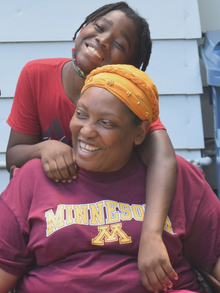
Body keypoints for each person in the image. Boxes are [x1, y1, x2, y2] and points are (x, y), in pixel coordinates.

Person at [0, 64, 219, 293]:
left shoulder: (178, 178)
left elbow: (213, 260)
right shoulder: (34, 178)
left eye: (106, 123)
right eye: (81, 115)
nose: (86, 131)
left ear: (140, 133)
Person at [5, 2, 178, 291]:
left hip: (107, 211)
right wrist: (43, 150)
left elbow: (164, 160)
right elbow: (14, 153)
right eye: (99, 27)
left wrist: (150, 236)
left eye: (119, 43)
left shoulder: (131, 101)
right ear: (83, 26)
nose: (103, 39)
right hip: (44, 215)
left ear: (129, 68)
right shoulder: (36, 74)